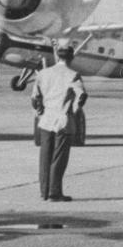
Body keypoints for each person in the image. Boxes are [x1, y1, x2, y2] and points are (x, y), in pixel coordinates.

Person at [32, 42, 86, 202]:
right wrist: (74, 110)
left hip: (46, 120)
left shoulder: (43, 73)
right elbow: (81, 95)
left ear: (57, 56)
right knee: (59, 158)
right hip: (63, 120)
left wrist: (40, 112)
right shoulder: (73, 75)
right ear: (71, 57)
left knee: (45, 157)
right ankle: (55, 193)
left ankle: (44, 192)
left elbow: (35, 98)